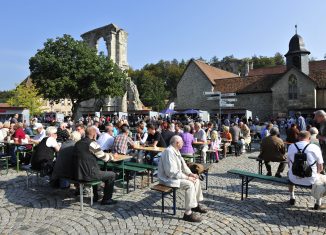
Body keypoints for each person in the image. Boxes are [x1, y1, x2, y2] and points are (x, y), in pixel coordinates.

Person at [158, 135, 207, 222]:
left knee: (196, 180)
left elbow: (184, 166)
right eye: (182, 142)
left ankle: (195, 205)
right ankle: (187, 214)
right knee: (189, 184)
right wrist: (187, 178)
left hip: (174, 177)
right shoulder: (169, 152)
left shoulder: (176, 150)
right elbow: (171, 172)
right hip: (167, 179)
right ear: (177, 143)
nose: (183, 144)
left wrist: (191, 174)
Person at [73, 126, 117, 205]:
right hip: (88, 174)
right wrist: (112, 156)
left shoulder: (77, 143)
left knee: (97, 170)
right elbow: (104, 158)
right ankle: (107, 199)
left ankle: (96, 196)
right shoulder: (92, 144)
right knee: (112, 175)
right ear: (94, 135)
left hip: (77, 173)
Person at [287, 131, 325, 209]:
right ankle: (318, 203)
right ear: (309, 138)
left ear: (298, 137)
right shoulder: (315, 147)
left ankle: (292, 197)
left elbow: (289, 165)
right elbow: (320, 168)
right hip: (311, 180)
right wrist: (316, 173)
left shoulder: (291, 146)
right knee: (322, 179)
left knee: (289, 173)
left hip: (294, 178)